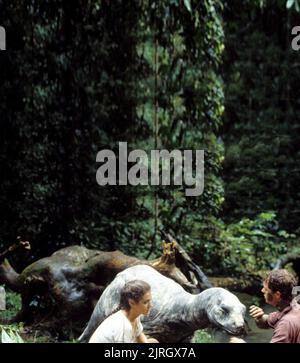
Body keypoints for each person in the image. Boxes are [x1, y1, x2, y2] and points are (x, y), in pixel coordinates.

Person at [89, 279, 158, 343]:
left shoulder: (134, 315)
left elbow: (138, 334)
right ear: (131, 303)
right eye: (145, 302)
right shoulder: (123, 327)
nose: (150, 305)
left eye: (150, 301)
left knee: (153, 341)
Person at [249, 269, 300, 343]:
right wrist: (260, 317)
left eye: (266, 289)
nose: (262, 290)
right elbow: (266, 322)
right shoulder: (293, 306)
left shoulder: (286, 323)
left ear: (277, 295)